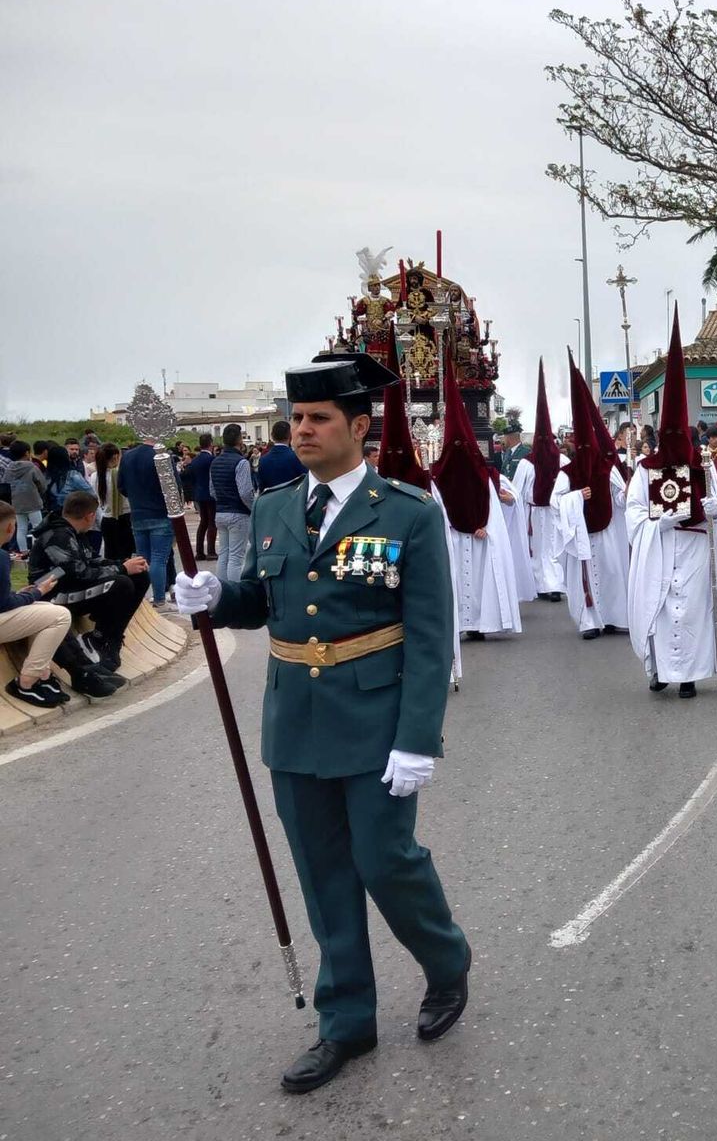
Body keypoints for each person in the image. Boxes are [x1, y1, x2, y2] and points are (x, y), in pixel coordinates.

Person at [175, 351, 471, 1094]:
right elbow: (266, 601)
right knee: (323, 877)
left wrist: (417, 739)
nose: (300, 430)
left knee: (386, 862)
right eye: (296, 419)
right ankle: (347, 1023)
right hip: (296, 724)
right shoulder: (276, 506)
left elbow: (431, 635)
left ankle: (446, 963)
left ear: (359, 427)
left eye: (317, 419)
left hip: (376, 723)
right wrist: (214, 594)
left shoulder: (406, 511)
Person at [625, 314, 717, 698]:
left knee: (696, 610)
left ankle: (689, 676)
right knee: (663, 607)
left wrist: (713, 513)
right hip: (662, 548)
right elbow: (633, 515)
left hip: (698, 546)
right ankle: (660, 670)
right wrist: (662, 523)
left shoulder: (702, 467)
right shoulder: (644, 471)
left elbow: (716, 504)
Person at [430, 358, 521, 644]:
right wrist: (448, 529)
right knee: (459, 579)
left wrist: (487, 527)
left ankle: (482, 622)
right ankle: (463, 622)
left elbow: (495, 505)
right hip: (454, 536)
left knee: (480, 580)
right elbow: (436, 506)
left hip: (479, 535)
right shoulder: (438, 476)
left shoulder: (485, 475)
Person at [28, 490, 145, 694]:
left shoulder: (74, 533)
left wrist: (124, 564)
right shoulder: (58, 535)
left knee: (140, 576)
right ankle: (97, 641)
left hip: (69, 589)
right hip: (53, 597)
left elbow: (91, 561)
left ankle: (109, 640)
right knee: (121, 583)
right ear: (90, 516)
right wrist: (122, 569)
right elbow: (79, 573)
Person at [556, 355, 631, 640]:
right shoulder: (567, 472)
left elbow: (623, 500)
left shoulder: (608, 468)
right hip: (581, 534)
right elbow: (555, 501)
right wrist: (576, 496)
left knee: (612, 573)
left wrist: (627, 491)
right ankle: (589, 621)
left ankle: (612, 616)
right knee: (584, 576)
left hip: (608, 531)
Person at [0, 502, 74, 708]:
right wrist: (37, 592)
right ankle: (26, 683)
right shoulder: (2, 557)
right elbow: (4, 605)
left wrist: (22, 594)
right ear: (10, 527)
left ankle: (42, 674)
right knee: (60, 616)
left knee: (47, 612)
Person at [507, 359, 567, 604]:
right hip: (547, 512)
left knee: (544, 548)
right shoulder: (559, 459)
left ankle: (548, 585)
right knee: (549, 548)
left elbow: (518, 492)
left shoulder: (528, 462)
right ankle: (549, 584)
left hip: (544, 512)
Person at [117, 435, 177, 607]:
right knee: (159, 558)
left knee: (142, 558)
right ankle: (159, 598)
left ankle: (139, 598)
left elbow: (121, 485)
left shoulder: (127, 456)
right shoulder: (161, 455)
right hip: (160, 512)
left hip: (137, 513)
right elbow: (173, 486)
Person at [211, 424, 258, 583]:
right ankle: (236, 592)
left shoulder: (215, 462)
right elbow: (245, 492)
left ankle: (222, 590)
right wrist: (253, 508)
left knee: (224, 553)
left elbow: (212, 490)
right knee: (237, 556)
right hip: (238, 512)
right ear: (240, 440)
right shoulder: (241, 462)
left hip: (220, 512)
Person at [5, 439, 48, 551]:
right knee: (38, 527)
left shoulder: (9, 468)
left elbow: (6, 483)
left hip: (16, 503)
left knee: (21, 528)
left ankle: (23, 551)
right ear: (27, 453)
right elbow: (42, 484)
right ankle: (38, 551)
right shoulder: (32, 467)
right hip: (33, 502)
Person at [95, 444, 135, 561]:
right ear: (116, 457)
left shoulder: (95, 476)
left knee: (110, 554)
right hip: (125, 517)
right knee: (126, 555)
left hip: (107, 519)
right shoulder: (122, 475)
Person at [257, 419, 308, 491]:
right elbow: (305, 482)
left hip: (270, 500)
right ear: (290, 435)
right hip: (293, 499)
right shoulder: (296, 457)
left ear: (272, 436)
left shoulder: (263, 460)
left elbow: (261, 488)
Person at [189, 434, 217, 560]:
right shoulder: (212, 460)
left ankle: (199, 551)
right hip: (211, 494)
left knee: (203, 522)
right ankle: (211, 551)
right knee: (212, 522)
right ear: (210, 444)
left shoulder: (195, 460)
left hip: (199, 493)